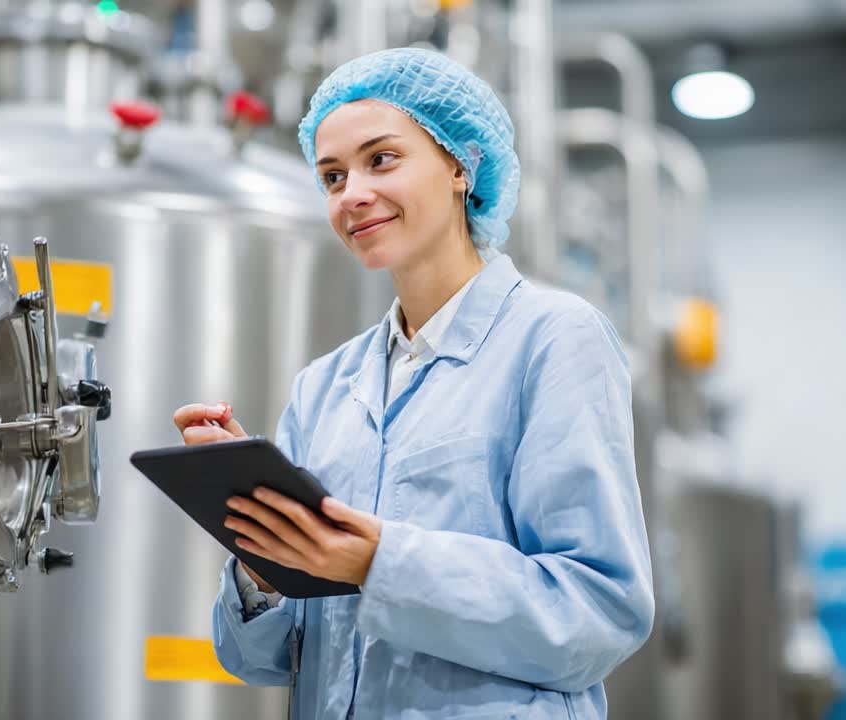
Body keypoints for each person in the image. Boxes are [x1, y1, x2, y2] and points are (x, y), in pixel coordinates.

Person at [172, 47, 654, 720]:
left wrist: (381, 562)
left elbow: (597, 613)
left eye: (382, 159)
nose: (353, 195)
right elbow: (265, 661)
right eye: (333, 176)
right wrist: (262, 557)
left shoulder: (553, 339)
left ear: (461, 165)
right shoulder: (323, 387)